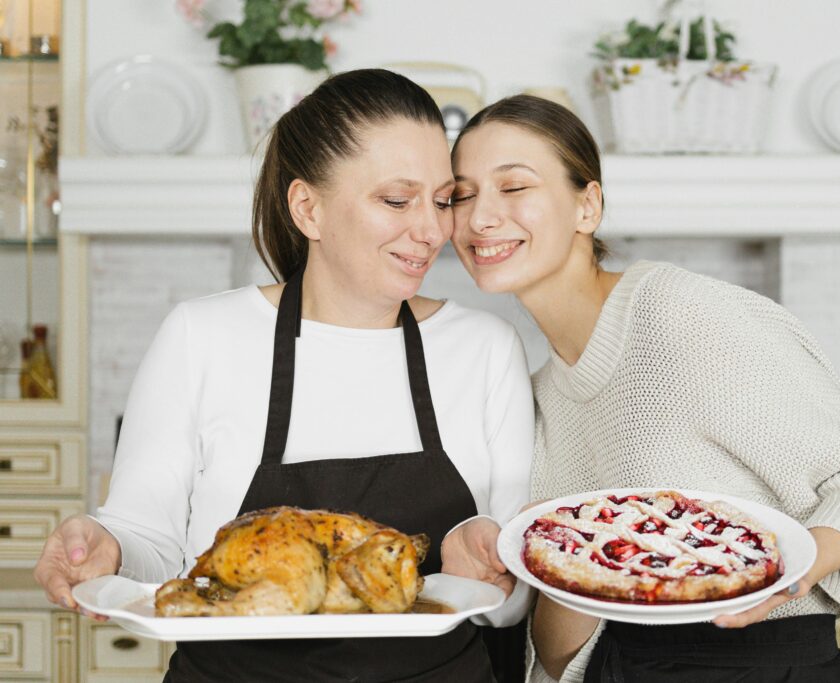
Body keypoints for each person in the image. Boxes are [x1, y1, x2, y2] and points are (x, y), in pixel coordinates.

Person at [33, 69, 533, 683]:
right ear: (308, 208)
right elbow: (148, 544)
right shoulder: (202, 336)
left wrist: (478, 557)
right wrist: (103, 548)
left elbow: (509, 607)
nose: (431, 231)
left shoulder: (483, 348)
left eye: (441, 199)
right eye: (396, 201)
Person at [449, 94, 840, 683]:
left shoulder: (684, 316)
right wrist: (542, 559)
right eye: (460, 195)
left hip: (759, 663)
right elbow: (562, 653)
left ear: (588, 206)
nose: (480, 217)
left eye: (514, 188)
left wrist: (791, 576)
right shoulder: (538, 394)